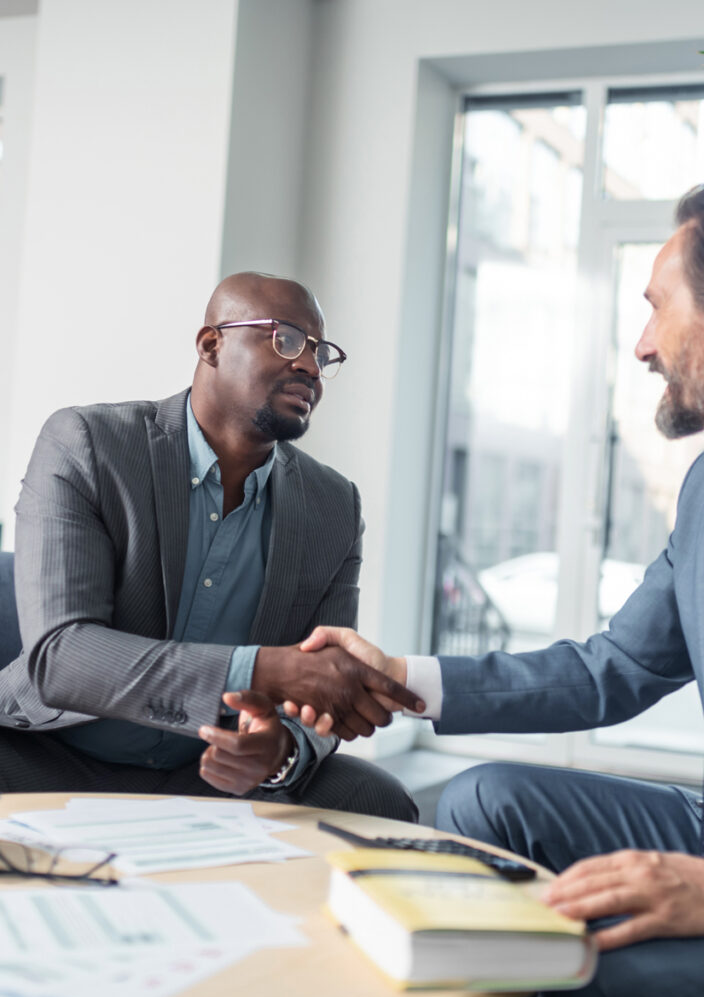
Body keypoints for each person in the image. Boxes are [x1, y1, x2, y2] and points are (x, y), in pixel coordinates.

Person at [295, 181, 704, 997]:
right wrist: (404, 678)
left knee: (592, 982)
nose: (641, 346)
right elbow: (615, 668)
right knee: (485, 800)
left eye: (658, 309)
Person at [0, 271, 423, 820]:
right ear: (211, 345)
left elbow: (322, 691)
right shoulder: (88, 444)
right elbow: (62, 658)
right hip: (52, 755)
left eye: (322, 353)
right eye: (287, 339)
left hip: (213, 777)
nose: (311, 369)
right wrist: (260, 671)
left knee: (374, 798)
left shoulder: (333, 505)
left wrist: (281, 750)